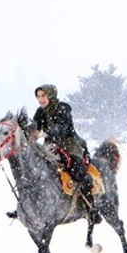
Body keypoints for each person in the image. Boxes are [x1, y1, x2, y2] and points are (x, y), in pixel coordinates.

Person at [31, 83, 100, 223]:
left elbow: (63, 129)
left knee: (79, 172)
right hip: (50, 147)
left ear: (51, 95)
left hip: (69, 145)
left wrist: (45, 133)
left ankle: (91, 208)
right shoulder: (40, 112)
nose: (40, 99)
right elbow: (34, 126)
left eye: (43, 95)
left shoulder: (63, 109)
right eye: (38, 96)